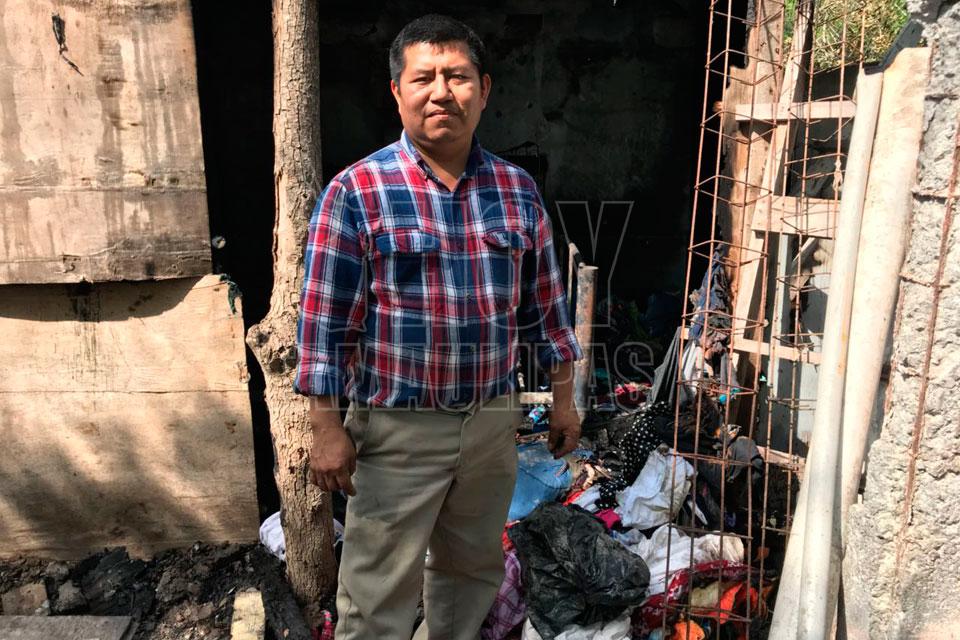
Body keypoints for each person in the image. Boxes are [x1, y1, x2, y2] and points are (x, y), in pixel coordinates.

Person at [295, 14, 582, 640]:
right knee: (376, 592)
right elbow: (324, 325)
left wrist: (563, 402)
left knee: (470, 574)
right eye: (423, 78)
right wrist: (325, 427)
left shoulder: (516, 191)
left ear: (484, 89)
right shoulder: (358, 192)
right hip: (397, 430)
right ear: (396, 92)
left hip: (491, 425)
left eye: (457, 76)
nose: (441, 92)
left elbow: (547, 311)